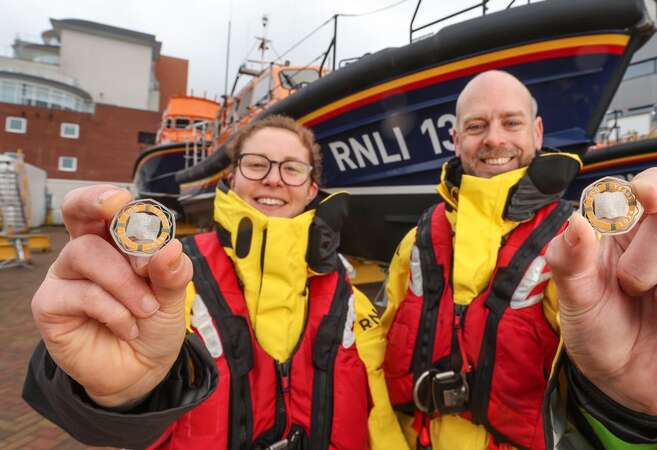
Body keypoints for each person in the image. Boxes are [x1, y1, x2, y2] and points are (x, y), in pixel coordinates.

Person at [380, 70, 657, 450]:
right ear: (455, 139)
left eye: (511, 123)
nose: (494, 138)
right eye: (476, 125)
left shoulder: (581, 248)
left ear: (537, 132)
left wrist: (636, 416)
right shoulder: (415, 243)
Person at [23, 115, 409, 449]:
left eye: (292, 168)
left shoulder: (349, 299)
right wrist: (116, 396)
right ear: (232, 176)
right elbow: (102, 412)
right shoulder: (169, 277)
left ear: (311, 189)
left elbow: (379, 417)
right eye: (257, 164)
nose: (274, 179)